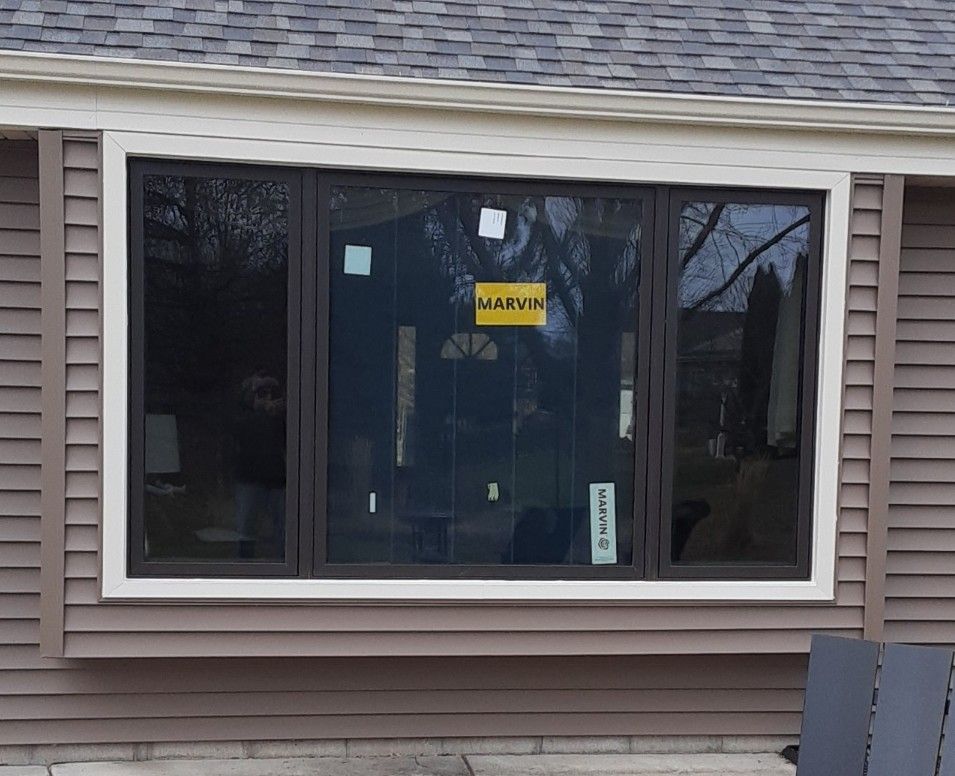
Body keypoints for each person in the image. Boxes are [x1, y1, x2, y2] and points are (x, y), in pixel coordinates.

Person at [234, 370, 286, 559]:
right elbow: (243, 435)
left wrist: (275, 415)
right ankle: (243, 570)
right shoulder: (242, 417)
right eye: (262, 393)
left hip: (278, 480)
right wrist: (263, 413)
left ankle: (285, 567)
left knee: (284, 529)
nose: (268, 398)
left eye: (271, 393)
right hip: (250, 480)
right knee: (246, 529)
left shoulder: (279, 417)